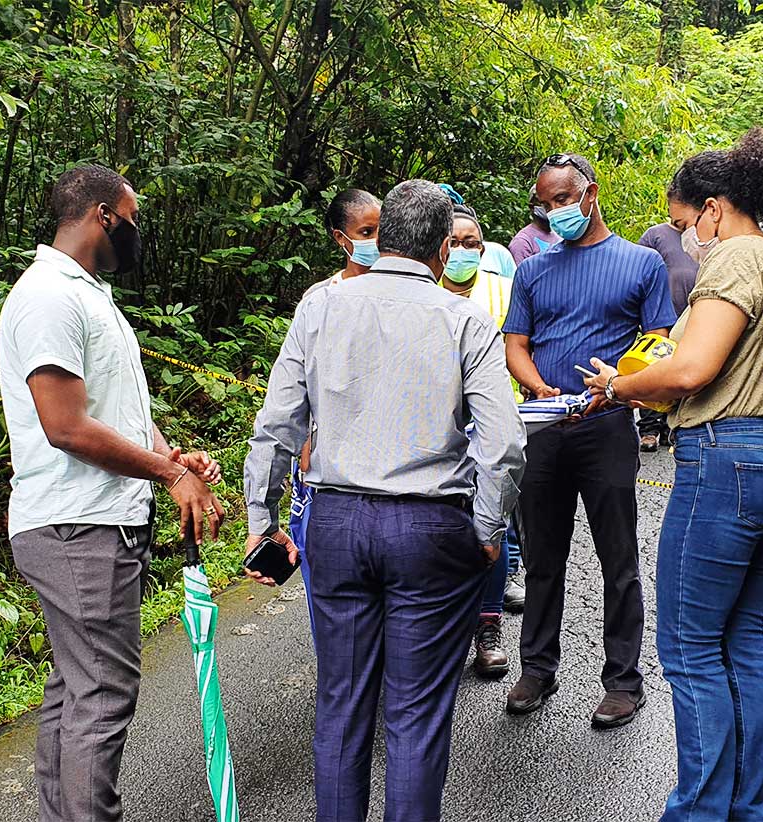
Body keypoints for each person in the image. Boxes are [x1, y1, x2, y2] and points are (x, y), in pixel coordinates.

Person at [243, 179, 526, 822]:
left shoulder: (320, 307)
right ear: (438, 251)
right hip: (430, 528)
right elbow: (504, 444)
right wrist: (487, 528)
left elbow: (277, 424)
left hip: (336, 524)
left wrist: (263, 524)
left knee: (341, 706)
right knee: (416, 716)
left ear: (383, 236)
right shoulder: (465, 320)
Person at [583, 128, 763, 821]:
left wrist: (620, 390)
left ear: (715, 208)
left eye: (685, 222)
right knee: (740, 640)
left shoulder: (737, 259)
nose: (686, 237)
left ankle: (698, 813)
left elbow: (692, 369)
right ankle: (747, 808)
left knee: (688, 651)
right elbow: (712, 372)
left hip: (725, 463)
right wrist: (641, 382)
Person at [0, 164, 225, 822]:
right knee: (102, 692)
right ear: (103, 215)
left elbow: (117, 414)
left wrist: (171, 457)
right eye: (133, 217)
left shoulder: (89, 296)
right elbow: (65, 426)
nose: (136, 231)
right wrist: (165, 476)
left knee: (74, 689)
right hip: (76, 525)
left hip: (90, 522)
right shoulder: (49, 296)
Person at [502, 153, 676, 729]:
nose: (553, 212)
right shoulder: (532, 271)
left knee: (618, 559)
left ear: (590, 194)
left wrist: (619, 390)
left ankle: (624, 681)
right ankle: (537, 669)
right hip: (543, 429)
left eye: (562, 200)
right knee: (542, 558)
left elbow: (658, 341)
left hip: (607, 428)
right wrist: (538, 387)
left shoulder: (642, 264)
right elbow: (516, 346)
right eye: (544, 204)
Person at [288, 189, 382, 623]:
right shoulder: (319, 301)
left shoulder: (404, 291)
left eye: (382, 229)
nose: (376, 240)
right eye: (366, 232)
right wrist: (305, 440)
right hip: (333, 454)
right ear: (340, 238)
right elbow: (301, 384)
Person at [440, 202, 524, 678]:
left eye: (473, 243)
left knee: (493, 525)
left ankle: (487, 628)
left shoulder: (503, 289)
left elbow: (521, 348)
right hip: (439, 432)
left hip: (495, 428)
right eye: (455, 242)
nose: (464, 251)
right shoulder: (421, 289)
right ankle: (447, 627)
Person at [635, 192, 700, 452]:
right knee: (653, 368)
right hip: (661, 318)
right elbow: (638, 271)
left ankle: (674, 428)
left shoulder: (705, 238)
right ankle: (650, 429)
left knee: (686, 374)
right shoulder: (656, 235)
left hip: (695, 317)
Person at [509, 184, 559, 265]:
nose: (550, 206)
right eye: (543, 203)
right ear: (532, 207)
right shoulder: (522, 241)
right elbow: (520, 275)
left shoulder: (559, 234)